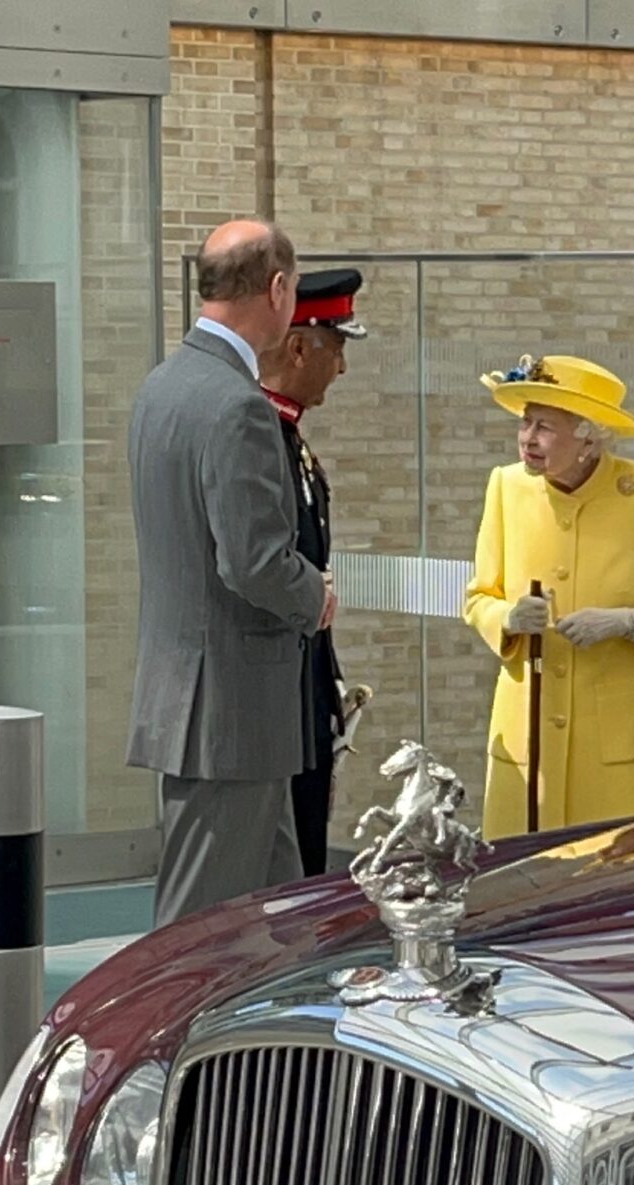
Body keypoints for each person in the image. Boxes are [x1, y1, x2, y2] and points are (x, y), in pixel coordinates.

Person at [128, 219, 334, 927]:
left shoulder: (165, 386)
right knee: (196, 931)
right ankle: (156, 1043)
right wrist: (316, 596)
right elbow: (251, 562)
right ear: (277, 290)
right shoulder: (236, 403)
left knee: (275, 927)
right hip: (229, 711)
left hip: (206, 703)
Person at [462, 354, 634, 839]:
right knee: (521, 882)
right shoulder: (506, 486)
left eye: (545, 427)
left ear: (589, 436)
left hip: (610, 749)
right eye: (526, 423)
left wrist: (626, 623)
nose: (527, 439)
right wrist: (508, 617)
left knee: (611, 882)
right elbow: (477, 599)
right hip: (526, 741)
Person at [258, 268, 368, 877]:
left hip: (305, 689)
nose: (342, 369)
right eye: (338, 348)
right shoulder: (261, 436)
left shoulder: (290, 437)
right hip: (273, 698)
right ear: (299, 346)